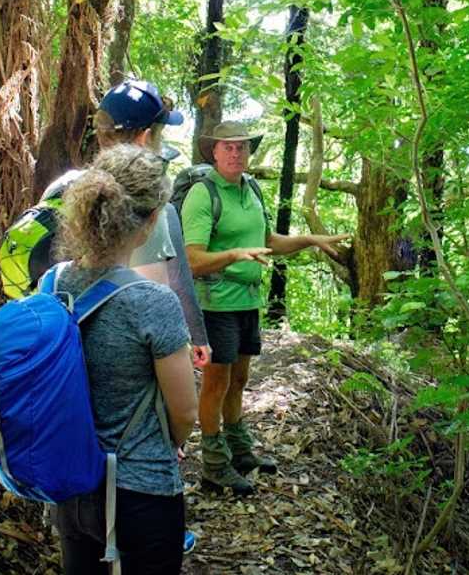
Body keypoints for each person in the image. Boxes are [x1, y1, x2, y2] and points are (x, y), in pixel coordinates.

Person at [181, 121, 349, 495]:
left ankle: (240, 450)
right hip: (215, 303)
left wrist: (309, 239)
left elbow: (267, 241)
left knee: (239, 379)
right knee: (216, 383)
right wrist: (232, 255)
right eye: (228, 147)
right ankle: (213, 465)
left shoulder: (251, 189)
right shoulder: (202, 194)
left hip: (247, 301)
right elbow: (191, 259)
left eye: (242, 146)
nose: (236, 153)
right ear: (214, 151)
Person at [52, 145, 197, 574]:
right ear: (152, 220)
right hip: (140, 491)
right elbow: (185, 412)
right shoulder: (151, 301)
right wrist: (166, 441)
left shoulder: (54, 282)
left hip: (71, 484)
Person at [42, 79, 212, 369]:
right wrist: (196, 338)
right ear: (145, 138)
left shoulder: (63, 188)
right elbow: (154, 304)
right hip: (122, 373)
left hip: (58, 364)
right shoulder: (150, 209)